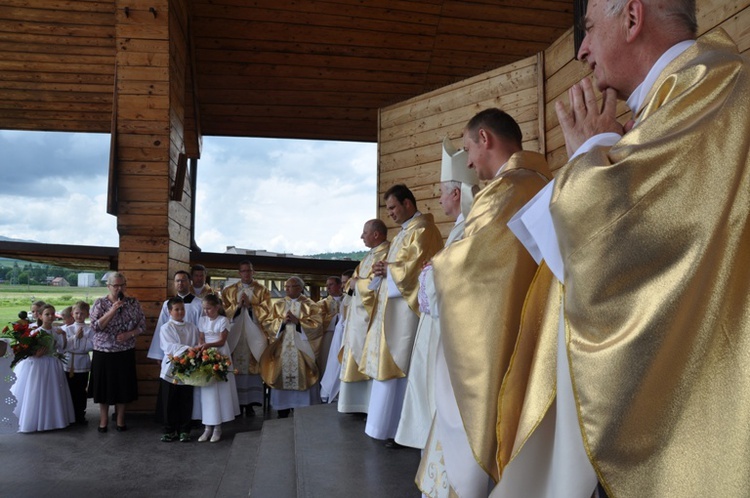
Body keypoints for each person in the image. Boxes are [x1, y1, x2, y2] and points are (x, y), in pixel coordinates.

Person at [496, 1, 750, 496]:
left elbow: (629, 238)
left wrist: (592, 158)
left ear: (632, 18)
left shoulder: (709, 83)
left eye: (589, 29)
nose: (584, 51)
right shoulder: (678, 97)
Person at [415, 109, 551, 497]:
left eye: (467, 148)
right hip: (532, 328)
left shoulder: (506, 191)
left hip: (496, 335)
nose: (469, 161)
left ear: (485, 138)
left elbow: (471, 267)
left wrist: (433, 272)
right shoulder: (542, 181)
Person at [395, 136, 479, 450]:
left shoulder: (467, 226)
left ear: (456, 194)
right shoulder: (461, 227)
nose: (439, 199)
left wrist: (433, 271)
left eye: (442, 193)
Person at [360, 184, 443, 444]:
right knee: (388, 366)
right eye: (388, 209)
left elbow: (418, 266)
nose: (391, 213)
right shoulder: (403, 233)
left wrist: (390, 269)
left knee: (399, 366)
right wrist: (382, 269)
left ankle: (398, 428)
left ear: (408, 203)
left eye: (393, 207)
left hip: (406, 312)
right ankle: (386, 427)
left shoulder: (424, 230)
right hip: (392, 308)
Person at [337, 220, 390, 414]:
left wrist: (357, 284)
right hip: (357, 317)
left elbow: (375, 284)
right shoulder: (369, 256)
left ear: (376, 234)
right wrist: (355, 283)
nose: (362, 236)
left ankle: (366, 405)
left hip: (371, 317)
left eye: (365, 233)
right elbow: (353, 281)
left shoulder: (386, 253)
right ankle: (354, 404)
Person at [89, 272, 145, 433]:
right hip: (103, 351)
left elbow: (142, 325)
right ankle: (103, 419)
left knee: (123, 386)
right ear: (108, 286)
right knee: (104, 387)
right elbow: (95, 326)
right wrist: (112, 310)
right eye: (115, 285)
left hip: (124, 351)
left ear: (125, 286)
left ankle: (120, 418)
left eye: (122, 285)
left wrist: (130, 334)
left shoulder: (133, 303)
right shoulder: (100, 303)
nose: (119, 288)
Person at [260, 276, 322, 418]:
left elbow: (317, 326)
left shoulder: (311, 305)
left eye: (290, 286)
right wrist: (282, 322)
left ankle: (301, 411)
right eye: (286, 286)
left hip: (301, 350)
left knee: (302, 375)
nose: (286, 289)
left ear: (300, 288)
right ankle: (283, 411)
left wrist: (298, 322)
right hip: (282, 350)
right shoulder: (279, 304)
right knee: (281, 377)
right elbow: (268, 323)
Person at [11, 304, 75, 432]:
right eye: (47, 314)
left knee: (52, 392)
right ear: (40, 316)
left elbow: (62, 348)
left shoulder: (56, 331)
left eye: (52, 314)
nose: (50, 316)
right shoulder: (36, 332)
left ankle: (52, 419)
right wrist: (35, 354)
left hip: (52, 364)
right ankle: (33, 419)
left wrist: (62, 336)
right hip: (39, 365)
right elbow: (27, 351)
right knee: (37, 391)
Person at [221, 260, 272, 416]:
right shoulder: (229, 290)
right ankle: (235, 405)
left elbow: (267, 311)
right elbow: (222, 311)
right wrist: (237, 306)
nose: (246, 273)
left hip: (253, 334)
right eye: (243, 271)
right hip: (235, 333)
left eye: (249, 271)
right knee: (235, 366)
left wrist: (250, 307)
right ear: (239, 273)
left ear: (253, 272)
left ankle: (250, 404)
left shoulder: (262, 290)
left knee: (252, 365)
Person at [196, 294, 240, 443]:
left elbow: (221, 341)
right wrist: (203, 349)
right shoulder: (202, 320)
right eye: (204, 309)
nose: (206, 312)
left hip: (220, 353)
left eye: (209, 308)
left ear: (217, 307)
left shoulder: (223, 320)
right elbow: (201, 338)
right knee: (207, 391)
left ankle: (218, 428)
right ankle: (207, 427)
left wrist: (207, 346)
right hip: (207, 353)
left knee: (219, 390)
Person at [158, 297, 201, 442]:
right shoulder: (166, 328)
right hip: (171, 368)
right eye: (176, 309)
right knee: (170, 401)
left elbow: (196, 344)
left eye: (182, 309)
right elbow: (169, 347)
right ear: (170, 311)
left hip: (188, 368)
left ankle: (184, 430)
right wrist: (188, 349)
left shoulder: (192, 327)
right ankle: (169, 430)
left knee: (186, 400)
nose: (180, 312)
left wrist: (195, 350)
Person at [147, 270, 203, 361]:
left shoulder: (199, 304)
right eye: (177, 281)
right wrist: (159, 355)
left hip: (192, 350)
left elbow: (202, 328)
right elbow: (161, 326)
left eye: (183, 280)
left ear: (190, 282)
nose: (180, 283)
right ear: (174, 283)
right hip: (173, 351)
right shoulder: (167, 304)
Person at [62, 301, 94, 425]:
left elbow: (92, 345)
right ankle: (68, 415)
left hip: (82, 363)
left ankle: (80, 414)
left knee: (81, 390)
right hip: (69, 362)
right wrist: (75, 338)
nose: (79, 316)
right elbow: (63, 346)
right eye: (77, 313)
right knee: (69, 389)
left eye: (82, 313)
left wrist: (83, 338)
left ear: (87, 314)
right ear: (72, 314)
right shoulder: (67, 329)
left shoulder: (90, 329)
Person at [315, 276, 344, 381]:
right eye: (327, 285)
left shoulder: (349, 300)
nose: (328, 288)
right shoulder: (321, 304)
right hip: (329, 337)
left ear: (340, 285)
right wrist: (337, 317)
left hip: (345, 336)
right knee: (327, 361)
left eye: (331, 284)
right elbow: (319, 321)